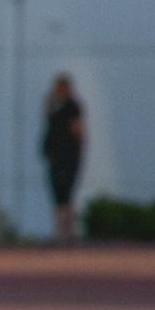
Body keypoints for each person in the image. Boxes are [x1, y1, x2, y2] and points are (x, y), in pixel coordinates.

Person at [42, 73, 87, 242]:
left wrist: (78, 151)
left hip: (68, 157)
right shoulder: (55, 107)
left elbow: (78, 131)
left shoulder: (72, 107)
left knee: (66, 193)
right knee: (58, 194)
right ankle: (60, 232)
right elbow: (48, 121)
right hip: (55, 156)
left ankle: (69, 232)